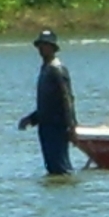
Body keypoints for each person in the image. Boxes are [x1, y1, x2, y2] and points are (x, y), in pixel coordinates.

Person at [18, 29, 77, 175]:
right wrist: (32, 119)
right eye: (40, 45)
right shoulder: (45, 69)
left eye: (45, 45)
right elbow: (47, 103)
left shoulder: (58, 70)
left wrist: (71, 126)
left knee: (61, 168)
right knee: (52, 168)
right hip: (46, 127)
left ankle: (65, 191)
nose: (42, 48)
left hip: (58, 127)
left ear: (53, 48)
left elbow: (67, 99)